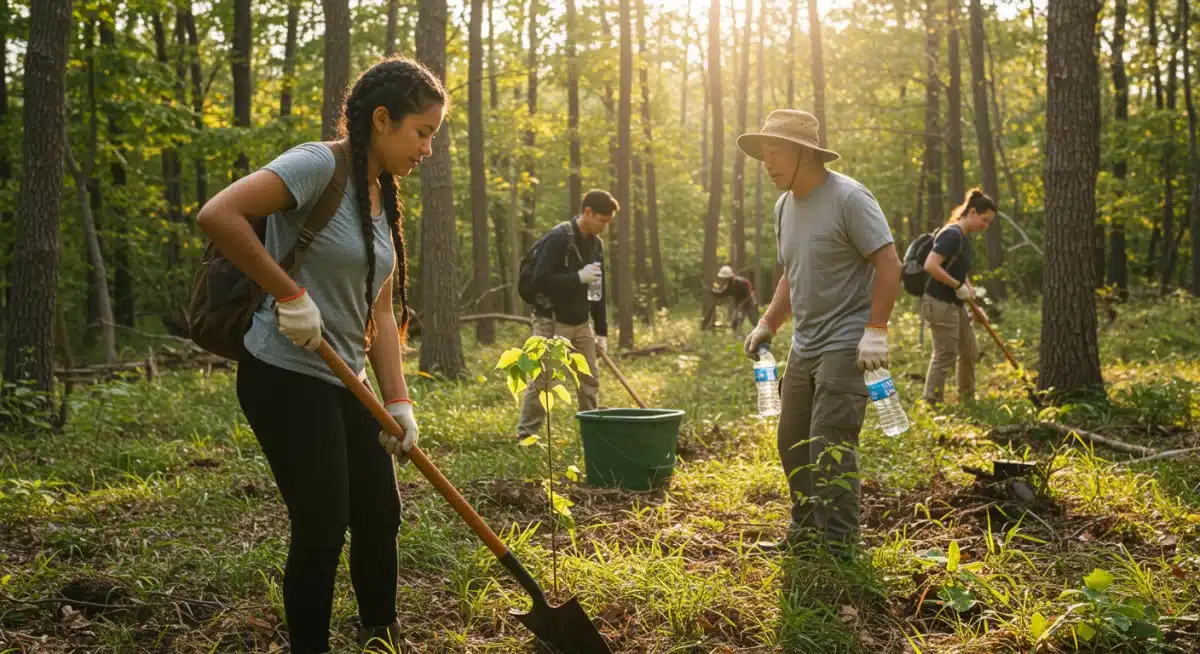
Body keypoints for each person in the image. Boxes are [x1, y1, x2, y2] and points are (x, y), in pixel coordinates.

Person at [195, 56, 446, 654]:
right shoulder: (317, 165)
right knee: (324, 523)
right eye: (423, 132)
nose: (428, 149)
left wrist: (399, 401)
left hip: (345, 378)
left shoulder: (382, 196)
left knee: (380, 514)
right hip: (283, 375)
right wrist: (289, 294)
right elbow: (217, 213)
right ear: (382, 120)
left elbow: (380, 314)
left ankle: (380, 638)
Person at [738, 109, 902, 556]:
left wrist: (876, 331)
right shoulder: (784, 206)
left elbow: (888, 261)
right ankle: (807, 534)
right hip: (805, 344)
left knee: (830, 443)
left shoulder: (849, 198)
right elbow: (792, 274)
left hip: (848, 341)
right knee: (792, 442)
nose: (767, 162)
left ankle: (840, 548)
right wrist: (768, 322)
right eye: (763, 154)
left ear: (804, 154)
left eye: (776, 152)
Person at [516, 190, 618, 440]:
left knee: (589, 380)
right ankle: (526, 435)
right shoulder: (558, 238)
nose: (605, 226)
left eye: (608, 222)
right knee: (543, 381)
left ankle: (591, 432)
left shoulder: (596, 244)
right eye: (602, 220)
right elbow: (540, 280)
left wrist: (601, 330)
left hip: (581, 323)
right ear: (587, 212)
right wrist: (577, 278)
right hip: (551, 322)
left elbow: (597, 289)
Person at [921, 188, 997, 405]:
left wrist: (971, 299)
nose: (986, 225)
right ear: (972, 212)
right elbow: (930, 265)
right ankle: (931, 403)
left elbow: (960, 272)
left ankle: (967, 399)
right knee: (945, 353)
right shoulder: (951, 234)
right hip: (939, 302)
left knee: (969, 350)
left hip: (956, 303)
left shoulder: (963, 239)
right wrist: (956, 286)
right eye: (984, 220)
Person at [711, 265, 758, 331]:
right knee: (735, 324)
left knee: (755, 323)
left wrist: (742, 304)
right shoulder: (729, 285)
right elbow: (723, 293)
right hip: (739, 306)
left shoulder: (742, 282)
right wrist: (714, 292)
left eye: (725, 279)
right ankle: (738, 336)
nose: (724, 280)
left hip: (750, 304)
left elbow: (749, 295)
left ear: (730, 277)